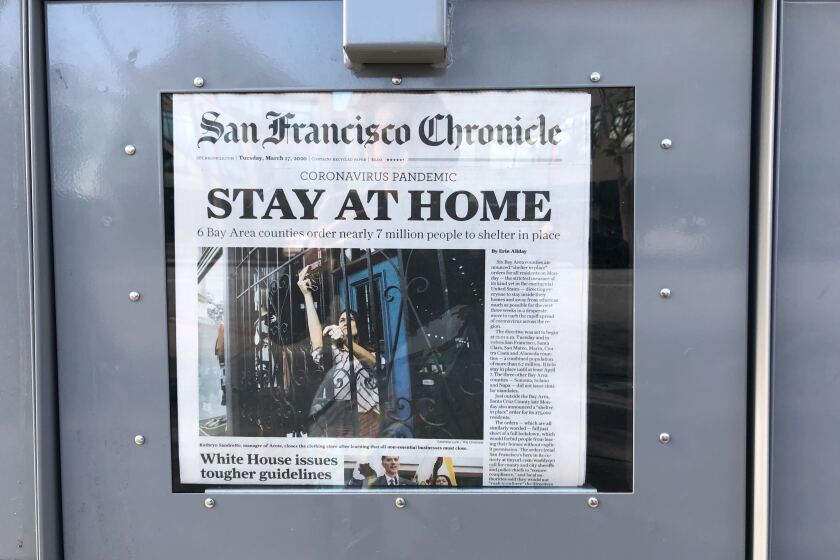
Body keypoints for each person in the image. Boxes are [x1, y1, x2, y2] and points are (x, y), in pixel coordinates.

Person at [297, 263, 382, 437]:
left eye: (350, 319)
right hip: (343, 417)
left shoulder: (371, 351)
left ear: (358, 326)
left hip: (369, 415)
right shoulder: (336, 354)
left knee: (366, 460)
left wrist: (345, 339)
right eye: (341, 319)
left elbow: (371, 362)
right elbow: (316, 340)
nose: (344, 322)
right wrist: (307, 295)